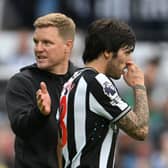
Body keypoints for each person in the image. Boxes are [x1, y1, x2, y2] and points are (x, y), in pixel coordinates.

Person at [58, 19, 149, 167]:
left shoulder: (70, 82)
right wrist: (139, 85)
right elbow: (140, 129)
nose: (129, 61)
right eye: (126, 52)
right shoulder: (97, 82)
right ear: (107, 51)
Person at [5, 13, 77, 168]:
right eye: (36, 42)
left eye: (47, 43)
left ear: (68, 45)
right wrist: (40, 113)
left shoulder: (82, 81)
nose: (38, 49)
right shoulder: (21, 82)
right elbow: (20, 127)